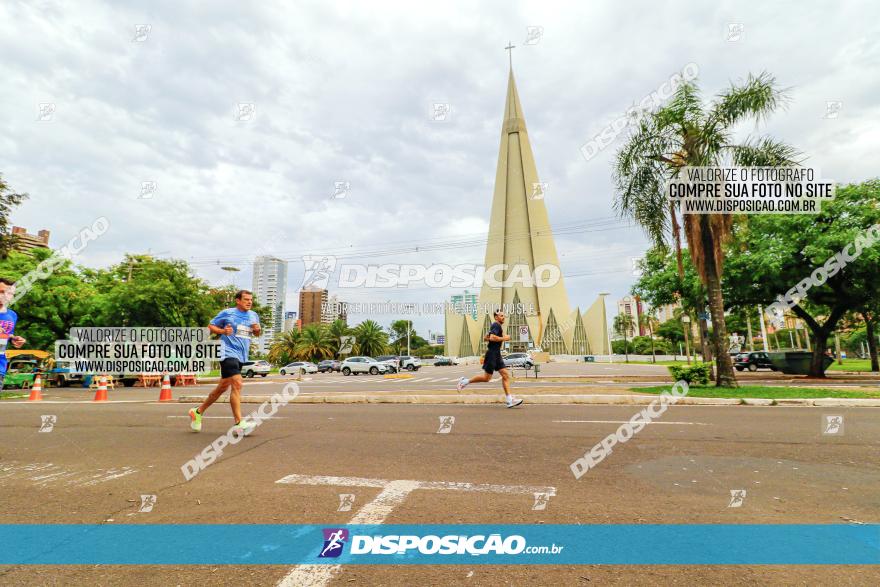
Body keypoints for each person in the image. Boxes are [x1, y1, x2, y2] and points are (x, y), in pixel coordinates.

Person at [189, 290, 261, 433]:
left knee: (222, 387)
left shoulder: (254, 315)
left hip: (241, 355)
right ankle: (239, 423)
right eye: (246, 299)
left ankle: (198, 411)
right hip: (227, 352)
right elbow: (211, 326)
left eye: (251, 300)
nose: (249, 302)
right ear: (238, 301)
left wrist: (257, 329)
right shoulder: (228, 313)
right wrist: (222, 332)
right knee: (237, 383)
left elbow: (257, 333)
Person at [456, 310, 523, 407]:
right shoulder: (496, 325)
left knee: (505, 375)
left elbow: (486, 337)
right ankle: (464, 382)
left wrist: (497, 337)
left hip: (497, 354)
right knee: (486, 378)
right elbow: (492, 337)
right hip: (492, 353)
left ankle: (509, 400)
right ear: (496, 317)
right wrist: (505, 338)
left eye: (504, 316)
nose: (503, 317)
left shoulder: (495, 326)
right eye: (501, 316)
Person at [0, 279, 27, 392]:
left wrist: (13, 339)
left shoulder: (12, 315)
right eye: (1, 291)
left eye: (10, 293)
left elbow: (6, 335)